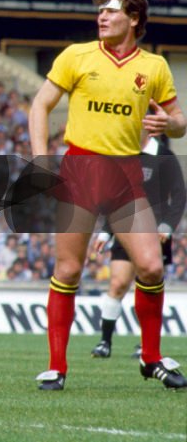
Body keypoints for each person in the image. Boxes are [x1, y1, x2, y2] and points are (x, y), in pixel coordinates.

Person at [28, 0, 186, 390]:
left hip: (126, 176)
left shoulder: (154, 67)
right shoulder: (76, 56)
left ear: (133, 19)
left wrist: (169, 124)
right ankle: (56, 367)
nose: (101, 17)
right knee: (68, 269)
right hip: (80, 169)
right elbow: (40, 105)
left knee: (151, 265)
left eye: (111, 11)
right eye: (100, 11)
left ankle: (150, 358)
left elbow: (180, 122)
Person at [91, 134, 186, 359]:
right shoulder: (125, 155)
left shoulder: (164, 156)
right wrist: (106, 230)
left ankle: (146, 345)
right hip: (126, 228)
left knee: (148, 286)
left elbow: (180, 195)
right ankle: (105, 342)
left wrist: (167, 226)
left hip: (156, 234)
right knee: (118, 282)